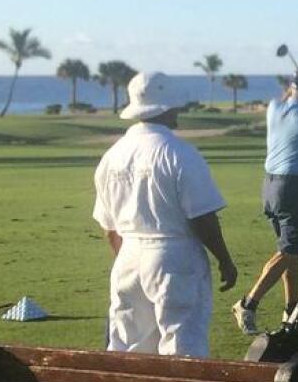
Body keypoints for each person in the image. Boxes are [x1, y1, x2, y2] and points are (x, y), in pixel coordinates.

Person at [91, 70, 237, 356]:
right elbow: (202, 218)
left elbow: (110, 228)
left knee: (129, 347)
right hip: (173, 256)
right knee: (182, 346)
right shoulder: (180, 153)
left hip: (127, 257)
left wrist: (127, 259)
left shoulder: (112, 156)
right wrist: (224, 260)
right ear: (168, 107)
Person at [232, 68, 298, 334]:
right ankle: (248, 303)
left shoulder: (274, 108)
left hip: (270, 187)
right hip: (296, 189)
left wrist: (297, 84)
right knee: (289, 251)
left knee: (291, 251)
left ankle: (291, 311)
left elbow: (287, 95)